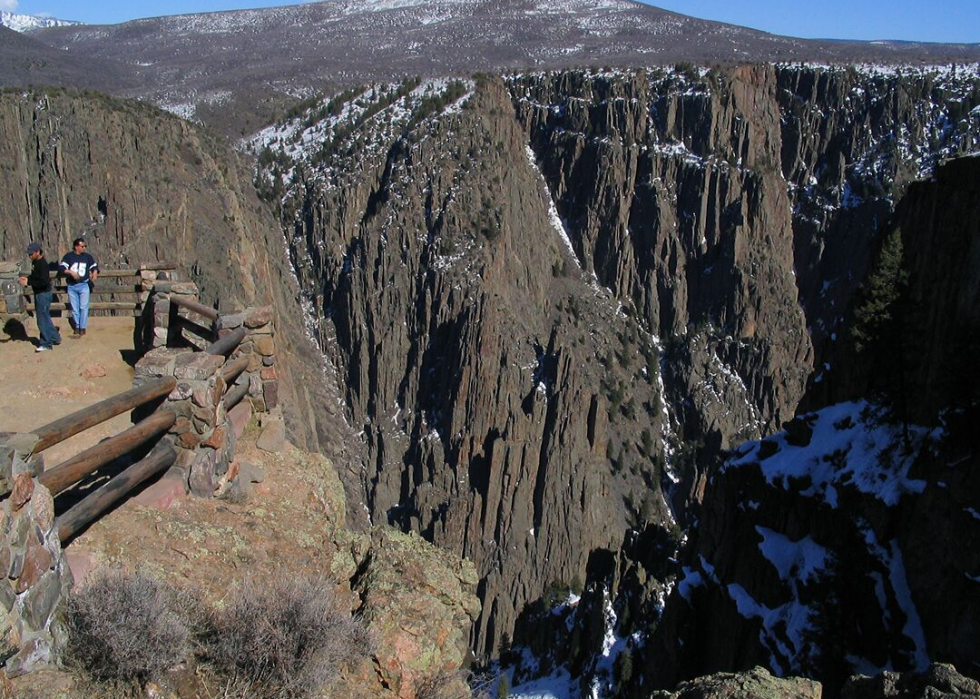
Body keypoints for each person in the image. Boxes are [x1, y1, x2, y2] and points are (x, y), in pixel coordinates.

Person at [18, 242, 62, 352]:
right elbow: (35, 277)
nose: (30, 256)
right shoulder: (36, 263)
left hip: (43, 294)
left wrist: (29, 282)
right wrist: (27, 279)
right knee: (45, 317)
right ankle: (55, 337)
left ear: (38, 252)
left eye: (31, 254)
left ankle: (46, 343)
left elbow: (43, 282)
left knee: (41, 320)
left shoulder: (42, 264)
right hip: (40, 294)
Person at [60, 237, 99, 338]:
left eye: (85, 246)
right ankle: (77, 326)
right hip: (72, 286)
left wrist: (94, 273)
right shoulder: (68, 257)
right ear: (76, 247)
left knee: (83, 307)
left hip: (84, 285)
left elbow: (94, 266)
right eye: (82, 246)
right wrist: (71, 272)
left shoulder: (87, 257)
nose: (84, 248)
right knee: (75, 308)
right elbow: (61, 268)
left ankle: (82, 327)